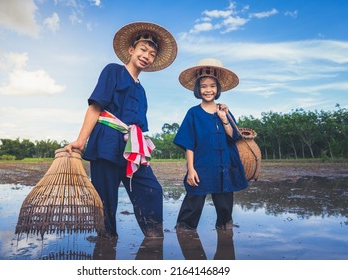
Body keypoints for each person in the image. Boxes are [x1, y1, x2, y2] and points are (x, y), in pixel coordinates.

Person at [65, 22, 177, 239]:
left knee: (152, 190)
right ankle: (106, 240)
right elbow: (95, 107)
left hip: (132, 146)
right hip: (106, 142)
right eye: (143, 50)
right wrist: (81, 141)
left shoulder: (141, 90)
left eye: (152, 54)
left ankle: (154, 236)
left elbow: (139, 126)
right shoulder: (113, 71)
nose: (146, 55)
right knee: (105, 199)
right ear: (131, 50)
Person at [173, 58, 248, 231]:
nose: (208, 90)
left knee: (225, 207)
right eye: (204, 86)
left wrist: (224, 119)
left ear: (218, 88)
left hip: (224, 166)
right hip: (202, 165)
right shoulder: (193, 113)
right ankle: (184, 232)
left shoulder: (224, 111)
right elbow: (189, 143)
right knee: (193, 202)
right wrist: (191, 169)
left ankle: (224, 230)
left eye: (212, 86)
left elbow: (233, 137)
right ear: (198, 89)